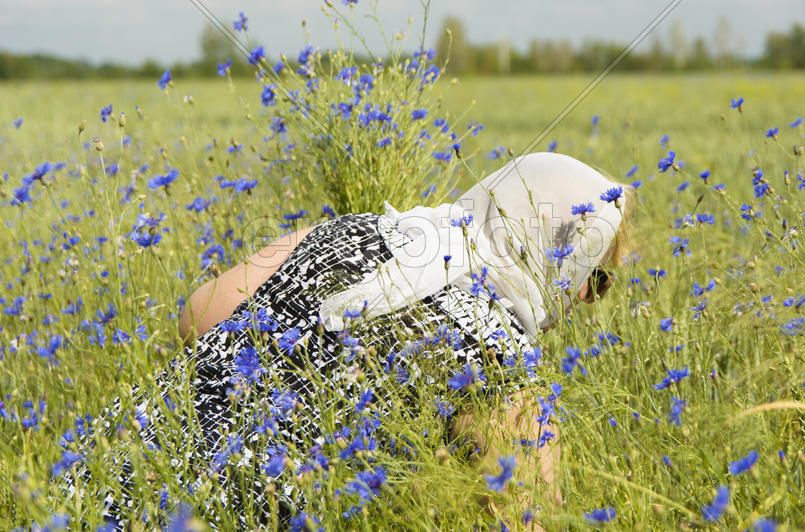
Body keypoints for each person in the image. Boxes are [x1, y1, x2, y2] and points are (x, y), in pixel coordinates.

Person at [89, 152, 632, 528]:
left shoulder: (352, 230)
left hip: (95, 484)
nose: (587, 300)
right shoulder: (501, 362)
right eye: (596, 279)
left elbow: (195, 316)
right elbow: (522, 520)